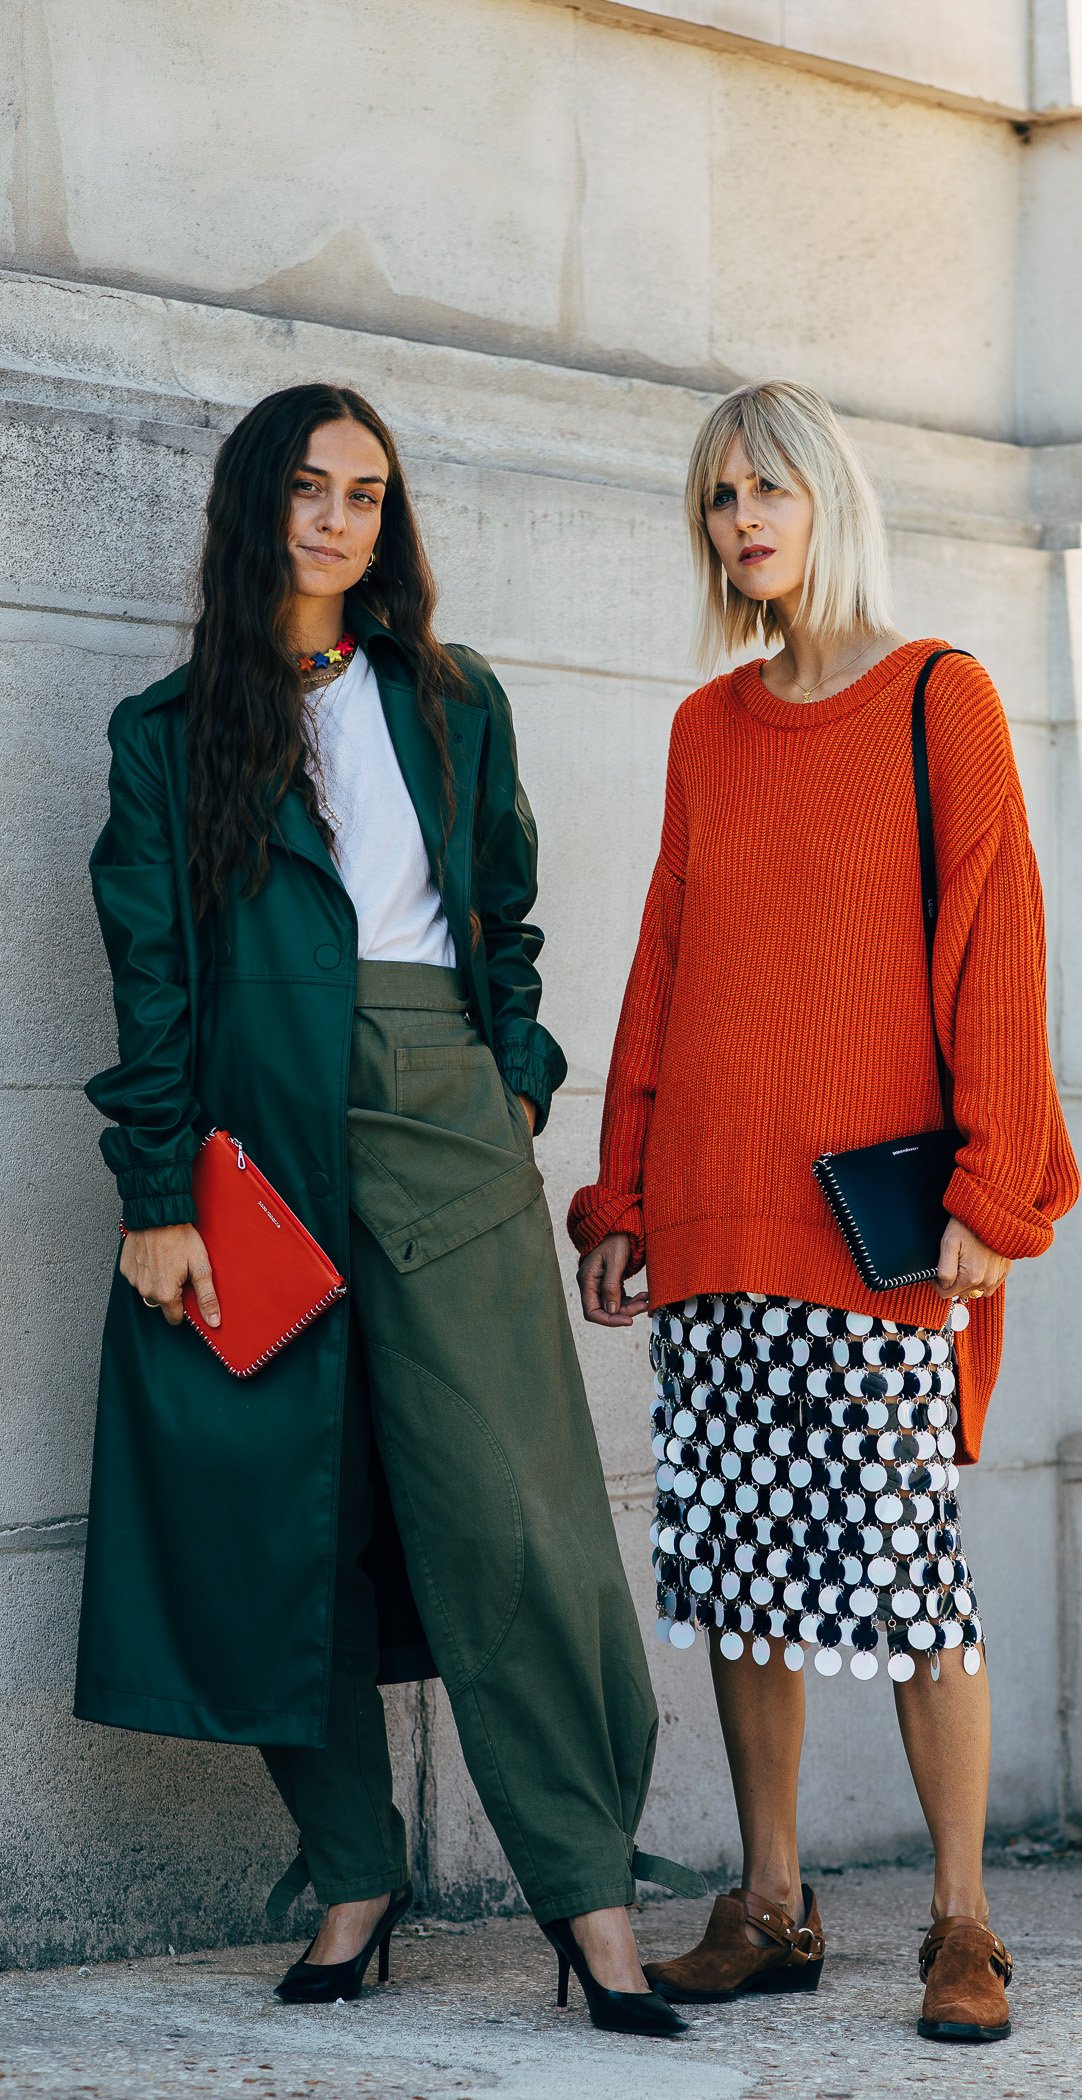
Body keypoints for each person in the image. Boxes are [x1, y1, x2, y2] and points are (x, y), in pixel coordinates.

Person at [78, 382, 689, 2037]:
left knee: (519, 1517)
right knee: (287, 1519)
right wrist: (158, 1192)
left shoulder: (448, 699)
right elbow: (149, 985)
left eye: (367, 491)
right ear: (255, 507)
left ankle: (591, 1898)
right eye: (308, 488)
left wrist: (514, 1081)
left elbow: (507, 914)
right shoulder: (169, 731)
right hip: (252, 1149)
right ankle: (355, 1873)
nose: (338, 518)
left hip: (445, 1120)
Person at [568, 380, 1079, 2044]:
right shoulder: (705, 730)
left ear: (830, 499)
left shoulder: (941, 697)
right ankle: (774, 1904)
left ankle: (963, 1921)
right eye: (718, 499)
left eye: (768, 488)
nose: (743, 522)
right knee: (739, 1572)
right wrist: (622, 1189)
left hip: (875, 1238)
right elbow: (664, 964)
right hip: (714, 1219)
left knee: (910, 1574)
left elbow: (997, 947)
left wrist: (997, 1189)